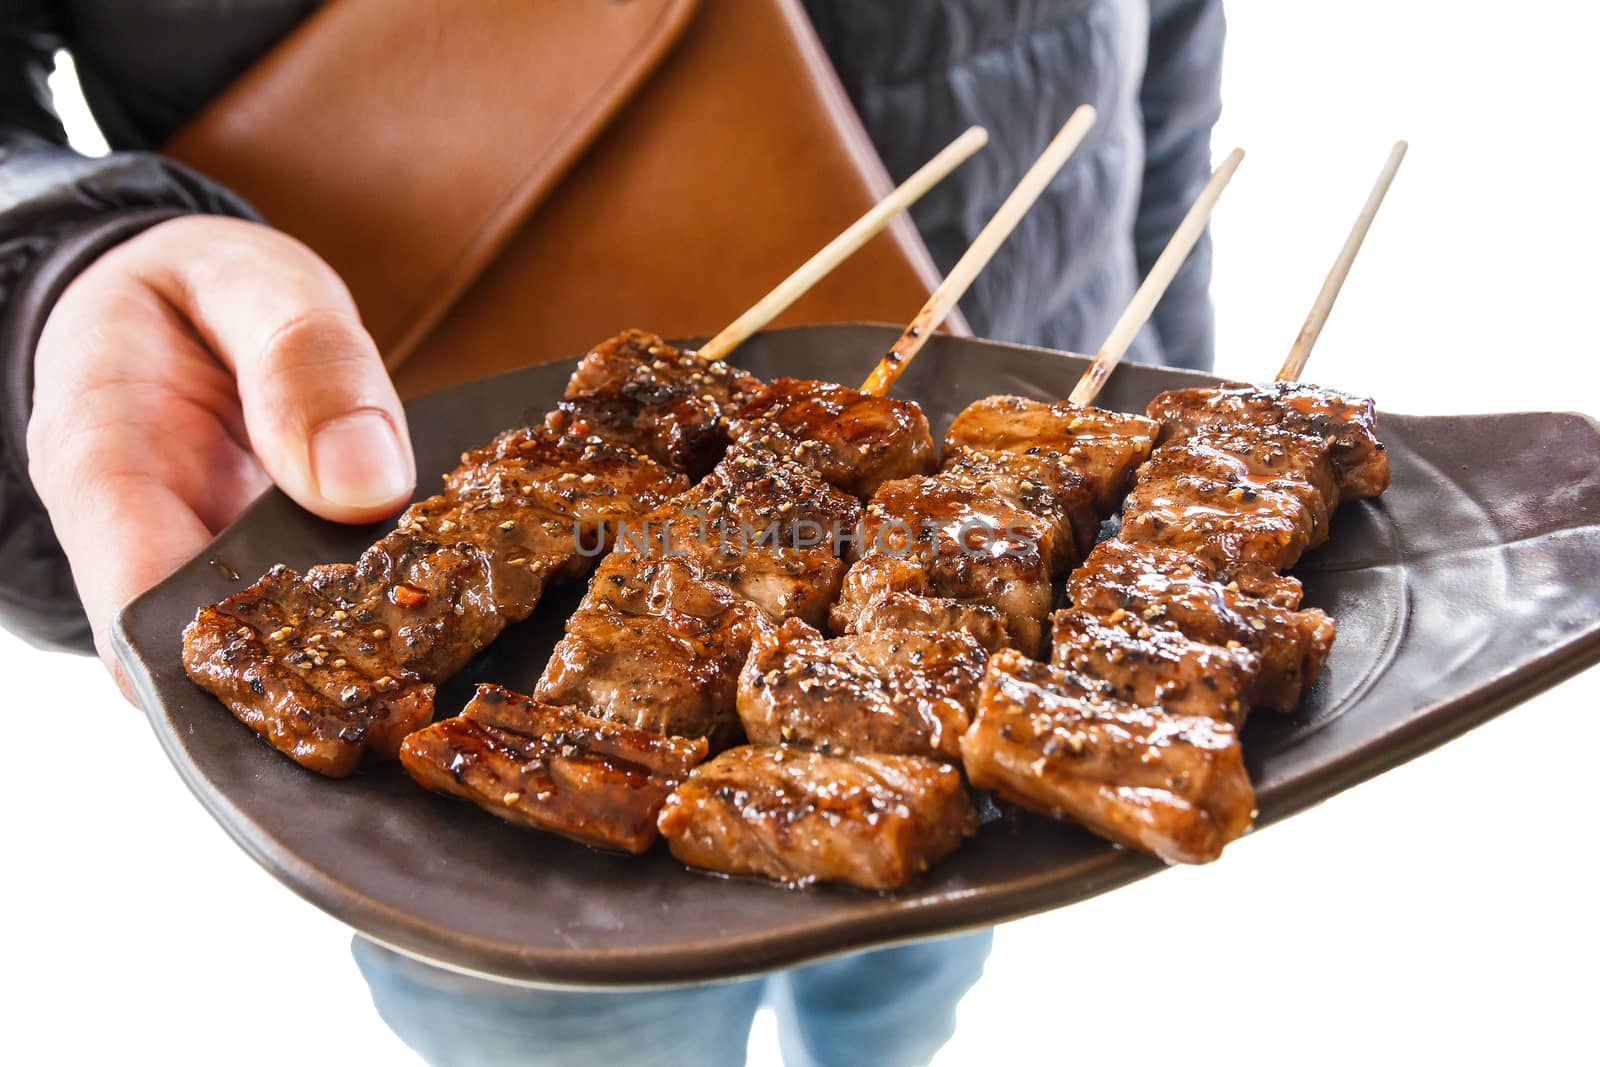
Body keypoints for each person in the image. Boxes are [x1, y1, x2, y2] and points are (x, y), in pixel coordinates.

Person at [0, 3, 1223, 1064]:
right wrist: (53, 264)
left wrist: (1170, 383)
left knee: (906, 992)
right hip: (380, 438)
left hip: (1005, 464)